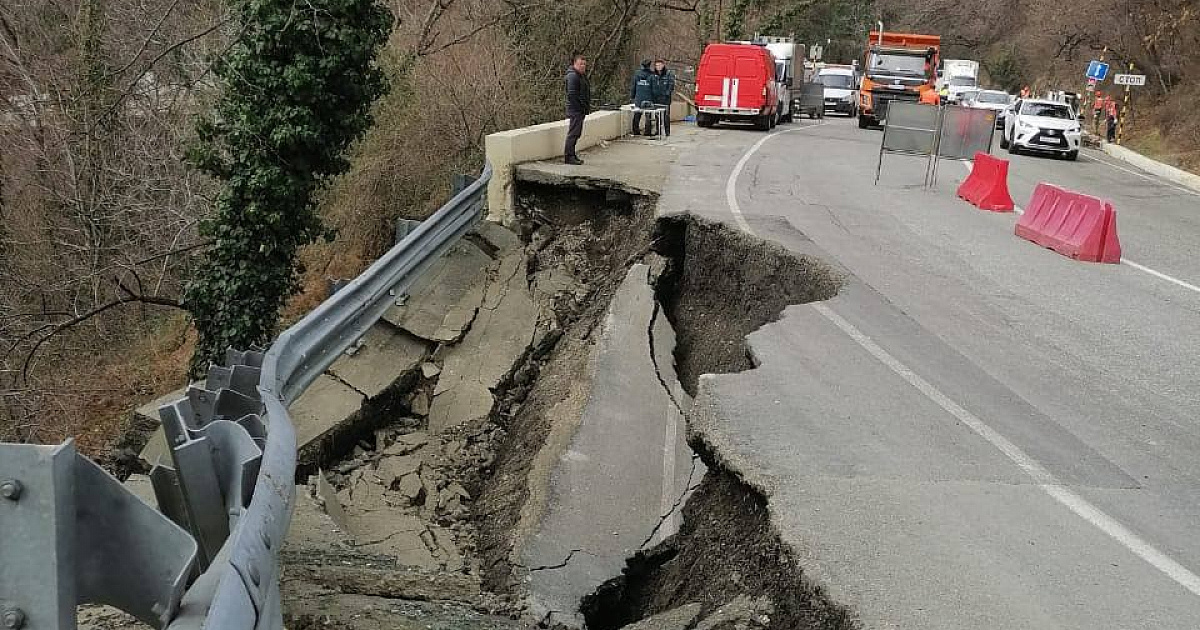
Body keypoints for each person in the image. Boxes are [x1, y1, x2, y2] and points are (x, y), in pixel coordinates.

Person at [564, 52, 590, 165]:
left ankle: (572, 154)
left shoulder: (581, 76)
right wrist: (580, 107)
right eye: (580, 64)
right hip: (576, 110)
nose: (583, 66)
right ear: (575, 64)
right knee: (573, 133)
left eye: (584, 64)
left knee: (576, 133)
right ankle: (569, 156)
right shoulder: (573, 76)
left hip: (580, 109)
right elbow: (572, 94)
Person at [630, 60, 656, 135]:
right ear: (649, 66)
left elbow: (633, 86)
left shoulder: (637, 74)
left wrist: (632, 96)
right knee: (648, 115)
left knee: (637, 115)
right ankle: (647, 132)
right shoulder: (652, 75)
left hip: (638, 98)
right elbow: (654, 88)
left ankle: (635, 131)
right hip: (649, 98)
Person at [653, 59, 675, 136]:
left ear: (663, 65)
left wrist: (666, 94)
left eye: (659, 65)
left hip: (665, 99)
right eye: (656, 65)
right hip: (656, 98)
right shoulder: (654, 74)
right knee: (657, 116)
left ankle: (667, 132)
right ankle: (658, 130)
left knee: (666, 116)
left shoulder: (669, 74)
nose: (658, 67)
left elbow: (671, 85)